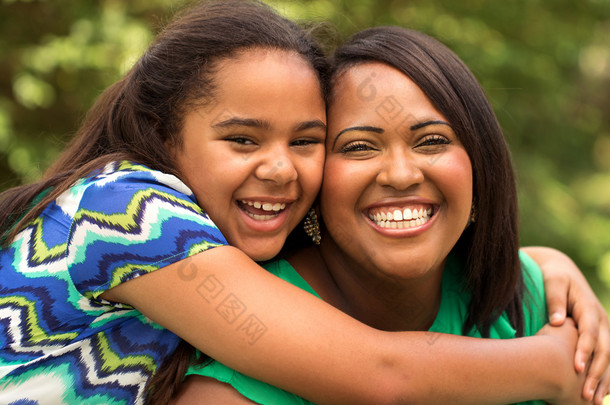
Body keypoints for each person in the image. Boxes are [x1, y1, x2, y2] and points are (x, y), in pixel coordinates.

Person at [0, 1, 606, 404]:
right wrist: (555, 364)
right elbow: (381, 372)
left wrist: (542, 261)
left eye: (307, 141)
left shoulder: (227, 249)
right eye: (242, 138)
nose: (281, 168)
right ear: (163, 137)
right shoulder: (125, 208)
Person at [173, 25, 610, 405]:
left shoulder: (535, 303)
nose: (401, 174)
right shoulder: (248, 337)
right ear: (316, 181)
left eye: (433, 141)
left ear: (481, 165)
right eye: (359, 147)